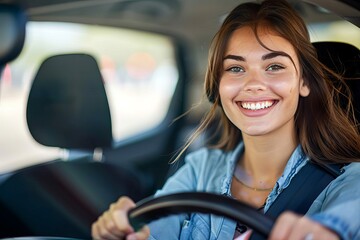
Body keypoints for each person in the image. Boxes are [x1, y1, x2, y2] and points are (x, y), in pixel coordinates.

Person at [91, 0, 360, 239]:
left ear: (304, 82)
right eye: (235, 68)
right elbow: (155, 229)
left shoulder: (348, 181)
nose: (254, 84)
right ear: (218, 86)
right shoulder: (200, 169)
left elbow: (347, 218)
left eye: (274, 66)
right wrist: (127, 226)